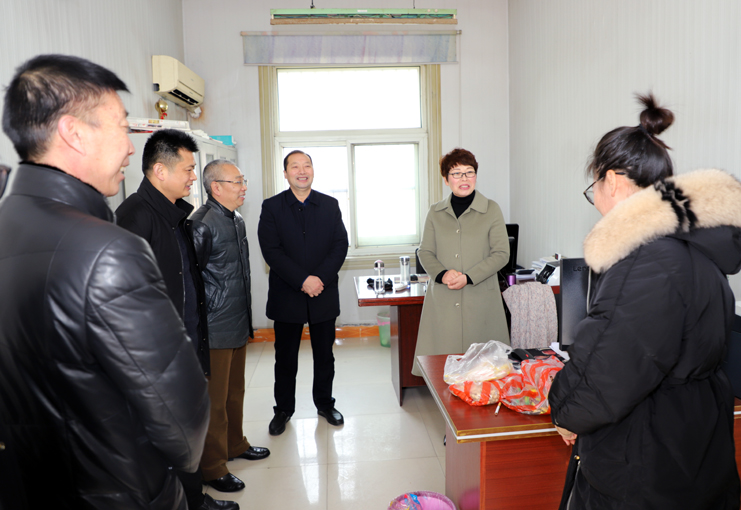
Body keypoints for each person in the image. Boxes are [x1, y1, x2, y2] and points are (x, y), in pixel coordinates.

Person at [0, 54, 209, 510]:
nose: (132, 148)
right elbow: (183, 419)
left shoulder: (8, 222)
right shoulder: (108, 251)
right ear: (73, 133)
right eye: (122, 127)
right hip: (120, 490)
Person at [549, 94, 741, 509]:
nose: (596, 202)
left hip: (644, 465)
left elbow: (606, 372)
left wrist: (564, 409)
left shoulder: (647, 260)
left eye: (593, 188)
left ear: (613, 181)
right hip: (695, 452)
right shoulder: (696, 251)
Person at [116, 130, 238, 510]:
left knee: (188, 431)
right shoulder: (134, 218)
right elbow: (125, 301)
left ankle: (194, 498)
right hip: (158, 357)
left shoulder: (176, 216)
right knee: (171, 438)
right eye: (187, 169)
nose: (192, 176)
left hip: (185, 346)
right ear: (160, 171)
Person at [190, 160, 270, 492]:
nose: (243, 187)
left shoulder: (235, 218)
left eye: (243, 180)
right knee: (215, 399)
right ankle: (212, 466)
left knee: (235, 392)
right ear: (216, 187)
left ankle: (235, 444)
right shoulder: (201, 223)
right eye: (237, 181)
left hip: (237, 320)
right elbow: (192, 281)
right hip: (214, 328)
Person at [257, 150, 349, 436]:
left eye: (306, 165)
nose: (302, 171)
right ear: (285, 173)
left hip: (323, 292)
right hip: (287, 294)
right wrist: (302, 280)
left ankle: (325, 404)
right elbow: (271, 250)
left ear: (313, 171)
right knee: (285, 358)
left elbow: (340, 245)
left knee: (325, 356)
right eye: (294, 166)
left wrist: (319, 279)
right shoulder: (272, 207)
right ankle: (283, 409)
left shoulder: (330, 205)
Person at [412, 148, 510, 377]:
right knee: (442, 369)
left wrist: (469, 277)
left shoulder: (491, 209)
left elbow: (501, 253)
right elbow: (425, 251)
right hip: (444, 298)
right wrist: (442, 274)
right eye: (456, 173)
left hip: (481, 299)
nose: (464, 178)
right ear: (446, 180)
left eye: (469, 172)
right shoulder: (435, 212)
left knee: (485, 372)